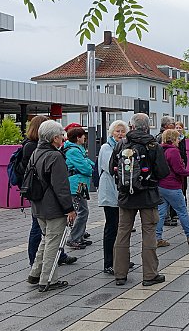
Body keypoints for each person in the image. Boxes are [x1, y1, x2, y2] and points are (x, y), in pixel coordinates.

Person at [110, 113, 168, 287]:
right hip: (148, 195)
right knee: (149, 232)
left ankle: (120, 274)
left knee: (123, 233)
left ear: (132, 126)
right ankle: (150, 275)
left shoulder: (121, 144)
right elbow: (163, 172)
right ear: (147, 126)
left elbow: (111, 167)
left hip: (126, 195)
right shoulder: (153, 145)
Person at [27, 120, 77, 291]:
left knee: (46, 239)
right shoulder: (55, 156)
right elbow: (61, 187)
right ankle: (48, 280)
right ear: (54, 138)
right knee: (53, 244)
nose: (63, 138)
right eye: (61, 135)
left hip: (38, 206)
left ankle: (35, 273)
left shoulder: (36, 152)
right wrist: (69, 209)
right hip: (53, 208)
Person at [156, 128, 189, 247]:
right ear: (173, 139)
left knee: (161, 212)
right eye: (178, 138)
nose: (179, 140)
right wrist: (188, 172)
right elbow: (178, 169)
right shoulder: (173, 151)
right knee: (182, 211)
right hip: (172, 186)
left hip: (161, 185)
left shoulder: (160, 150)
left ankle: (156, 238)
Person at [98, 119, 132, 275]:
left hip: (121, 192)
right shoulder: (106, 147)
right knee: (111, 227)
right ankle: (108, 262)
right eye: (117, 131)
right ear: (111, 133)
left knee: (122, 228)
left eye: (122, 131)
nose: (120, 133)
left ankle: (120, 259)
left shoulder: (126, 147)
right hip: (110, 192)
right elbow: (111, 167)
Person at [63, 126, 95, 249]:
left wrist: (91, 166)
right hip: (76, 184)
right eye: (83, 136)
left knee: (81, 210)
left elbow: (87, 162)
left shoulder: (77, 148)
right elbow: (85, 167)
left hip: (80, 183)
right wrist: (92, 169)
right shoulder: (73, 151)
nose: (84, 138)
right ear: (78, 138)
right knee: (82, 211)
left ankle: (79, 236)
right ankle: (74, 238)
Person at [155, 115, 184, 226]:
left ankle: (158, 235)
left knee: (162, 208)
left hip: (164, 181)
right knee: (182, 210)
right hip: (169, 180)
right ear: (167, 125)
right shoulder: (167, 144)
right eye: (173, 124)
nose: (175, 126)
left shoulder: (164, 140)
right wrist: (187, 172)